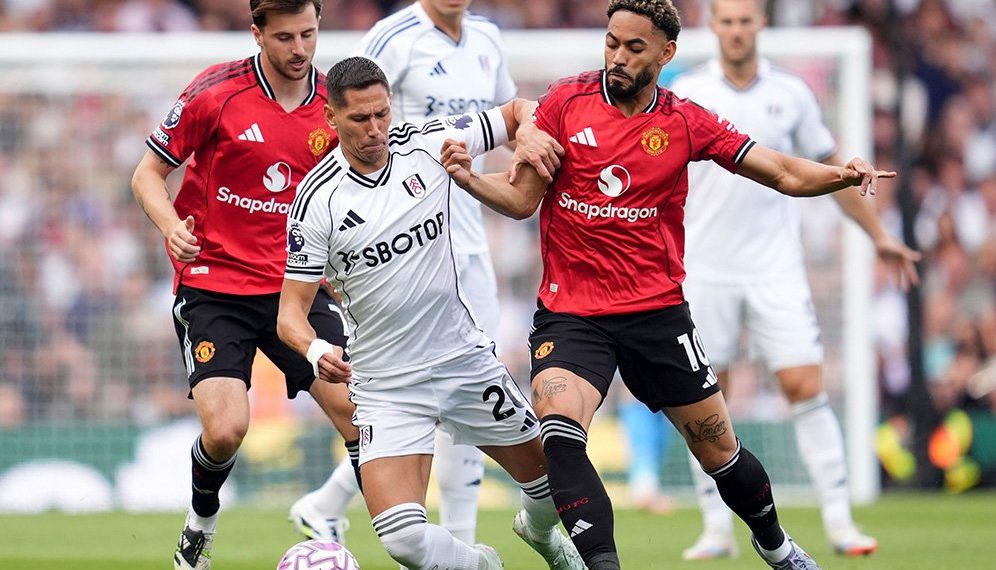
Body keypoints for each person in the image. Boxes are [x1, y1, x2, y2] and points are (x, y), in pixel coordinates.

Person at [440, 1, 898, 568]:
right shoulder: (564, 103)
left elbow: (781, 171)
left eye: (635, 48)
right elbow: (520, 200)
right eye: (612, 43)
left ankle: (777, 546)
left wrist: (840, 175)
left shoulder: (683, 121)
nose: (618, 57)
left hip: (656, 313)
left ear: (666, 53)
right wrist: (470, 179)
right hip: (572, 314)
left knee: (720, 452)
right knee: (559, 431)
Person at [276, 56, 582, 570]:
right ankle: (483, 565)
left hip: (462, 361)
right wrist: (315, 349)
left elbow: (517, 111)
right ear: (331, 118)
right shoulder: (316, 202)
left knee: (560, 488)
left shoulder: (426, 143)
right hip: (387, 384)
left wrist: (528, 135)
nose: (375, 129)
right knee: (402, 540)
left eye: (382, 114)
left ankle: (540, 533)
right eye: (360, 118)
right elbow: (290, 315)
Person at [668, 0, 921, 560]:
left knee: (805, 386)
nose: (736, 30)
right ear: (713, 25)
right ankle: (716, 528)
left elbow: (832, 171)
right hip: (705, 268)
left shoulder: (791, 93)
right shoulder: (687, 93)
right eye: (727, 21)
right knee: (705, 398)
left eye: (745, 20)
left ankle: (840, 522)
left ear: (762, 24)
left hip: (775, 268)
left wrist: (878, 235)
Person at [130, 1, 358, 568]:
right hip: (215, 285)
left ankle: (381, 531)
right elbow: (147, 174)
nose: (300, 49)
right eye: (284, 37)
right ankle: (199, 527)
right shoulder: (216, 93)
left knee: (364, 415)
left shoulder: (334, 104)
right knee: (227, 429)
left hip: (295, 290)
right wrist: (170, 226)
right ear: (257, 34)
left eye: (308, 34)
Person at [289, 0, 518, 546]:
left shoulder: (488, 39)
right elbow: (350, 99)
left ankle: (328, 504)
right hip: (399, 245)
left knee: (462, 391)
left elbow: (512, 118)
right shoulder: (393, 37)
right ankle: (459, 540)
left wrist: (529, 148)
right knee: (410, 394)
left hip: (466, 242)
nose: (376, 124)